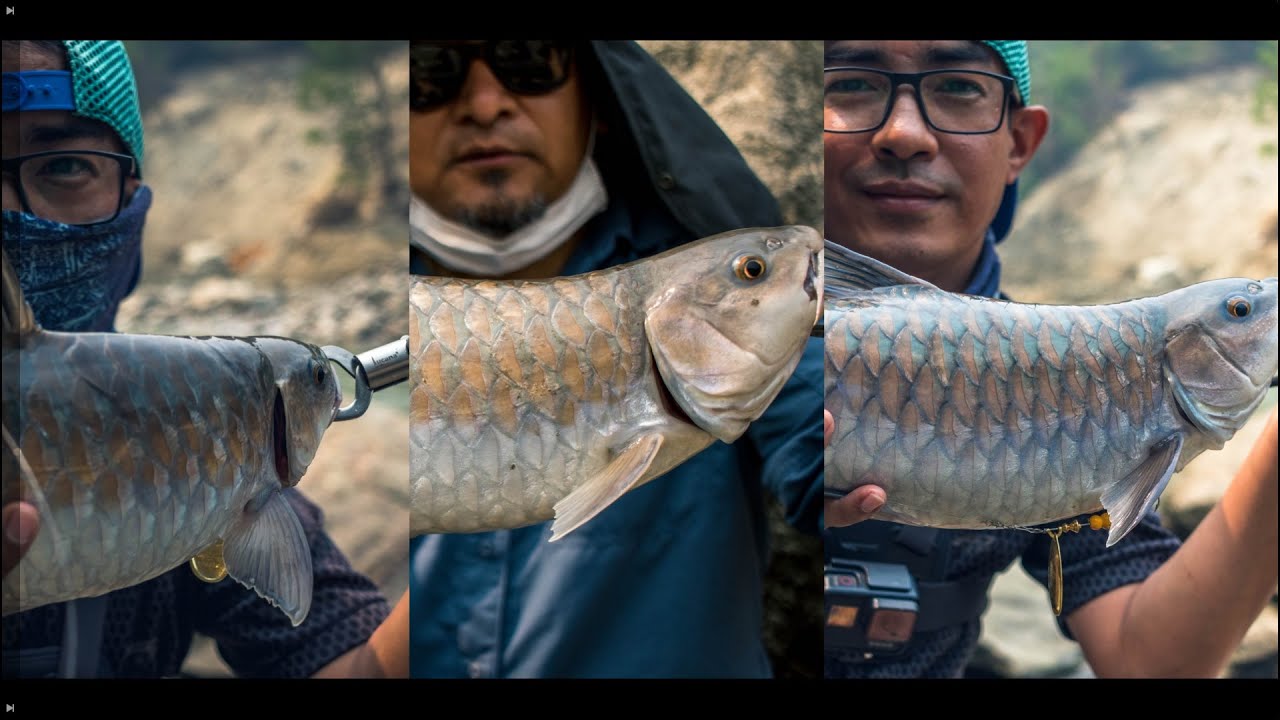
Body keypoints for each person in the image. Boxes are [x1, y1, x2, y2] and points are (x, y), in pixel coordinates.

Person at [822, 39, 1279, 678]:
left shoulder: (1067, 373)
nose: (905, 134)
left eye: (956, 87)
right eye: (850, 83)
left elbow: (1149, 660)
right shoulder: (707, 315)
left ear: (1020, 142)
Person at [407, 40, 824, 678]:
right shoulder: (330, 339)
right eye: (430, 73)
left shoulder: (704, 292)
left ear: (596, 95)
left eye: (528, 62)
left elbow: (827, 438)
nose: (486, 104)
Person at [1, 39, 408, 679]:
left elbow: (350, 663)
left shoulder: (198, 430)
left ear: (129, 195)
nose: (13, 211)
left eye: (63, 166)